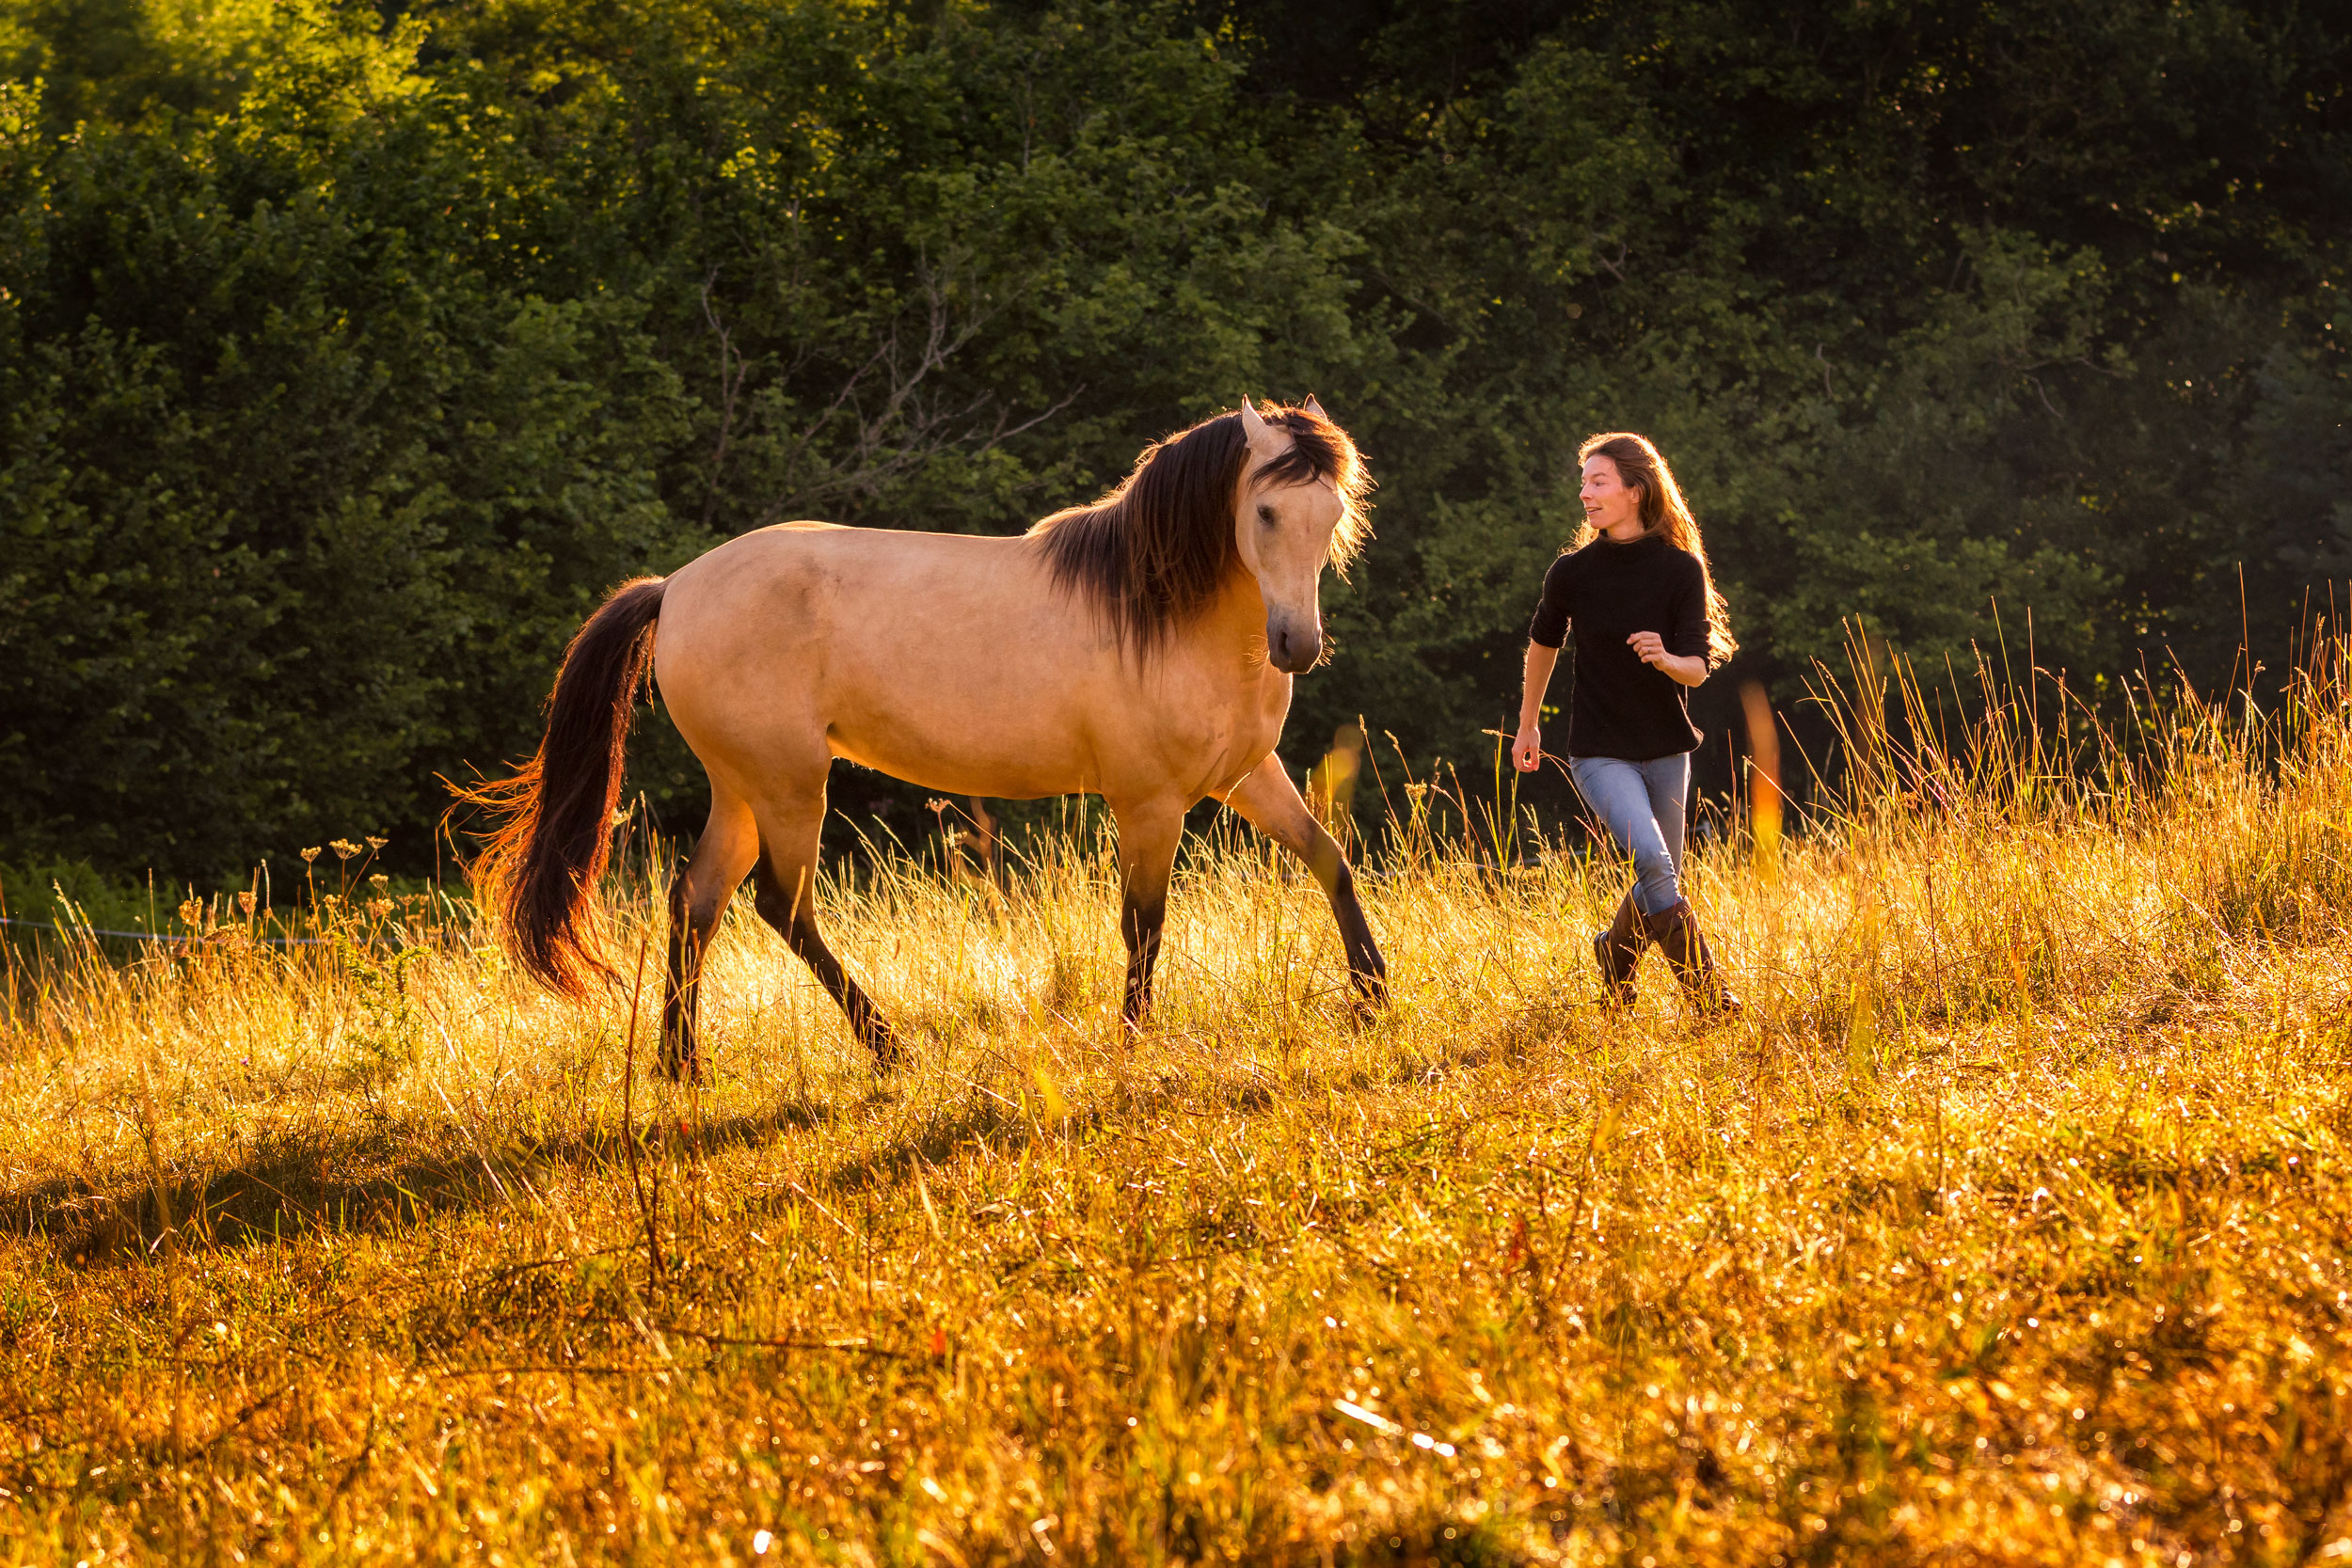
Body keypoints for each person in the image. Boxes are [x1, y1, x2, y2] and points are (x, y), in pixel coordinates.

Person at [1512, 432, 1740, 1015]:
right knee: (1658, 865)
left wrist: (1665, 658)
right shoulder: (1571, 573)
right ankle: (1710, 1001)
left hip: (1666, 749)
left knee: (1657, 880)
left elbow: (1697, 668)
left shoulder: (1680, 570)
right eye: (1584, 482)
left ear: (1635, 491)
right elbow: (1542, 644)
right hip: (1599, 751)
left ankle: (1615, 954)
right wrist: (1529, 724)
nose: (1585, 493)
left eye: (1598, 481)